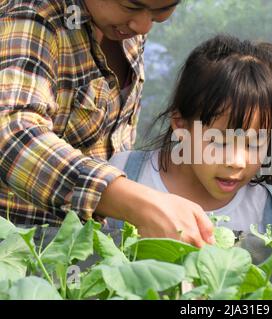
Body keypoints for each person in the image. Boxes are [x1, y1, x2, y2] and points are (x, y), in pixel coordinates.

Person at [0, 0, 215, 247]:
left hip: (87, 251)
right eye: (131, 6)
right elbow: (11, 134)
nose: (144, 26)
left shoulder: (124, 28)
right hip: (20, 253)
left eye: (161, 10)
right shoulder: (33, 18)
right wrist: (136, 202)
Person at [109, 34, 272, 236]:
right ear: (181, 126)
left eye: (254, 144)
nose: (237, 162)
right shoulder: (124, 176)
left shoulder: (265, 209)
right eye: (220, 143)